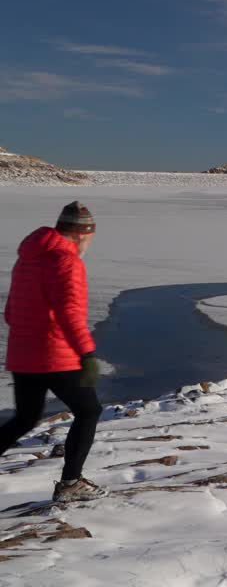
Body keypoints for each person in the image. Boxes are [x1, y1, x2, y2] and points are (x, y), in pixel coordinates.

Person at [0, 201, 107, 503]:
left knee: (24, 417)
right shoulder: (66, 261)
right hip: (55, 353)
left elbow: (10, 312)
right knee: (89, 411)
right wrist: (86, 353)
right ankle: (71, 483)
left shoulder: (29, 258)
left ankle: (71, 480)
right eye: (90, 235)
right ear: (82, 233)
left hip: (23, 354)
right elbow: (69, 313)